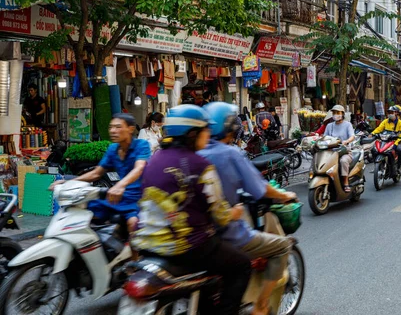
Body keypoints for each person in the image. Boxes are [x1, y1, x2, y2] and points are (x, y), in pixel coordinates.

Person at [132, 105, 250, 315]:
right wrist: (235, 213)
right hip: (188, 247)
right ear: (193, 134)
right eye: (206, 130)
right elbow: (220, 215)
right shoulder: (201, 165)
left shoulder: (154, 160)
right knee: (241, 266)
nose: (209, 135)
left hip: (146, 245)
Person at [201, 102, 296, 315]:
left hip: (191, 234)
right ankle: (261, 306)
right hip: (223, 233)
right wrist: (285, 195)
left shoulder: (189, 154)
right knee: (281, 246)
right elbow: (260, 189)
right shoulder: (231, 153)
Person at [50, 113, 150, 234]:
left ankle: (135, 253)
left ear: (131, 129)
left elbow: (139, 169)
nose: (113, 131)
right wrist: (68, 182)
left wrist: (120, 185)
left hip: (137, 199)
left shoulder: (142, 145)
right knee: (83, 210)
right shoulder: (113, 149)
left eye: (118, 127)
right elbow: (96, 173)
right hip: (117, 197)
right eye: (111, 127)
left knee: (133, 225)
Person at [324, 105, 355, 192]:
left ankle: (345, 183)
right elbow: (325, 137)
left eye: (338, 113)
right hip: (331, 152)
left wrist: (346, 141)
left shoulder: (347, 125)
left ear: (342, 114)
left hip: (344, 151)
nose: (335, 115)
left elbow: (352, 136)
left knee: (343, 161)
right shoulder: (329, 126)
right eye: (334, 113)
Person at [371, 105, 401, 175]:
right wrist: (372, 133)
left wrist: (396, 144)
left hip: (396, 141)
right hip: (386, 140)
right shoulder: (385, 121)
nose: (390, 114)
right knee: (374, 150)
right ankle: (376, 166)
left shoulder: (400, 123)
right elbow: (379, 129)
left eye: (391, 112)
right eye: (389, 112)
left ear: (396, 113)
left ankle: (399, 167)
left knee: (400, 149)